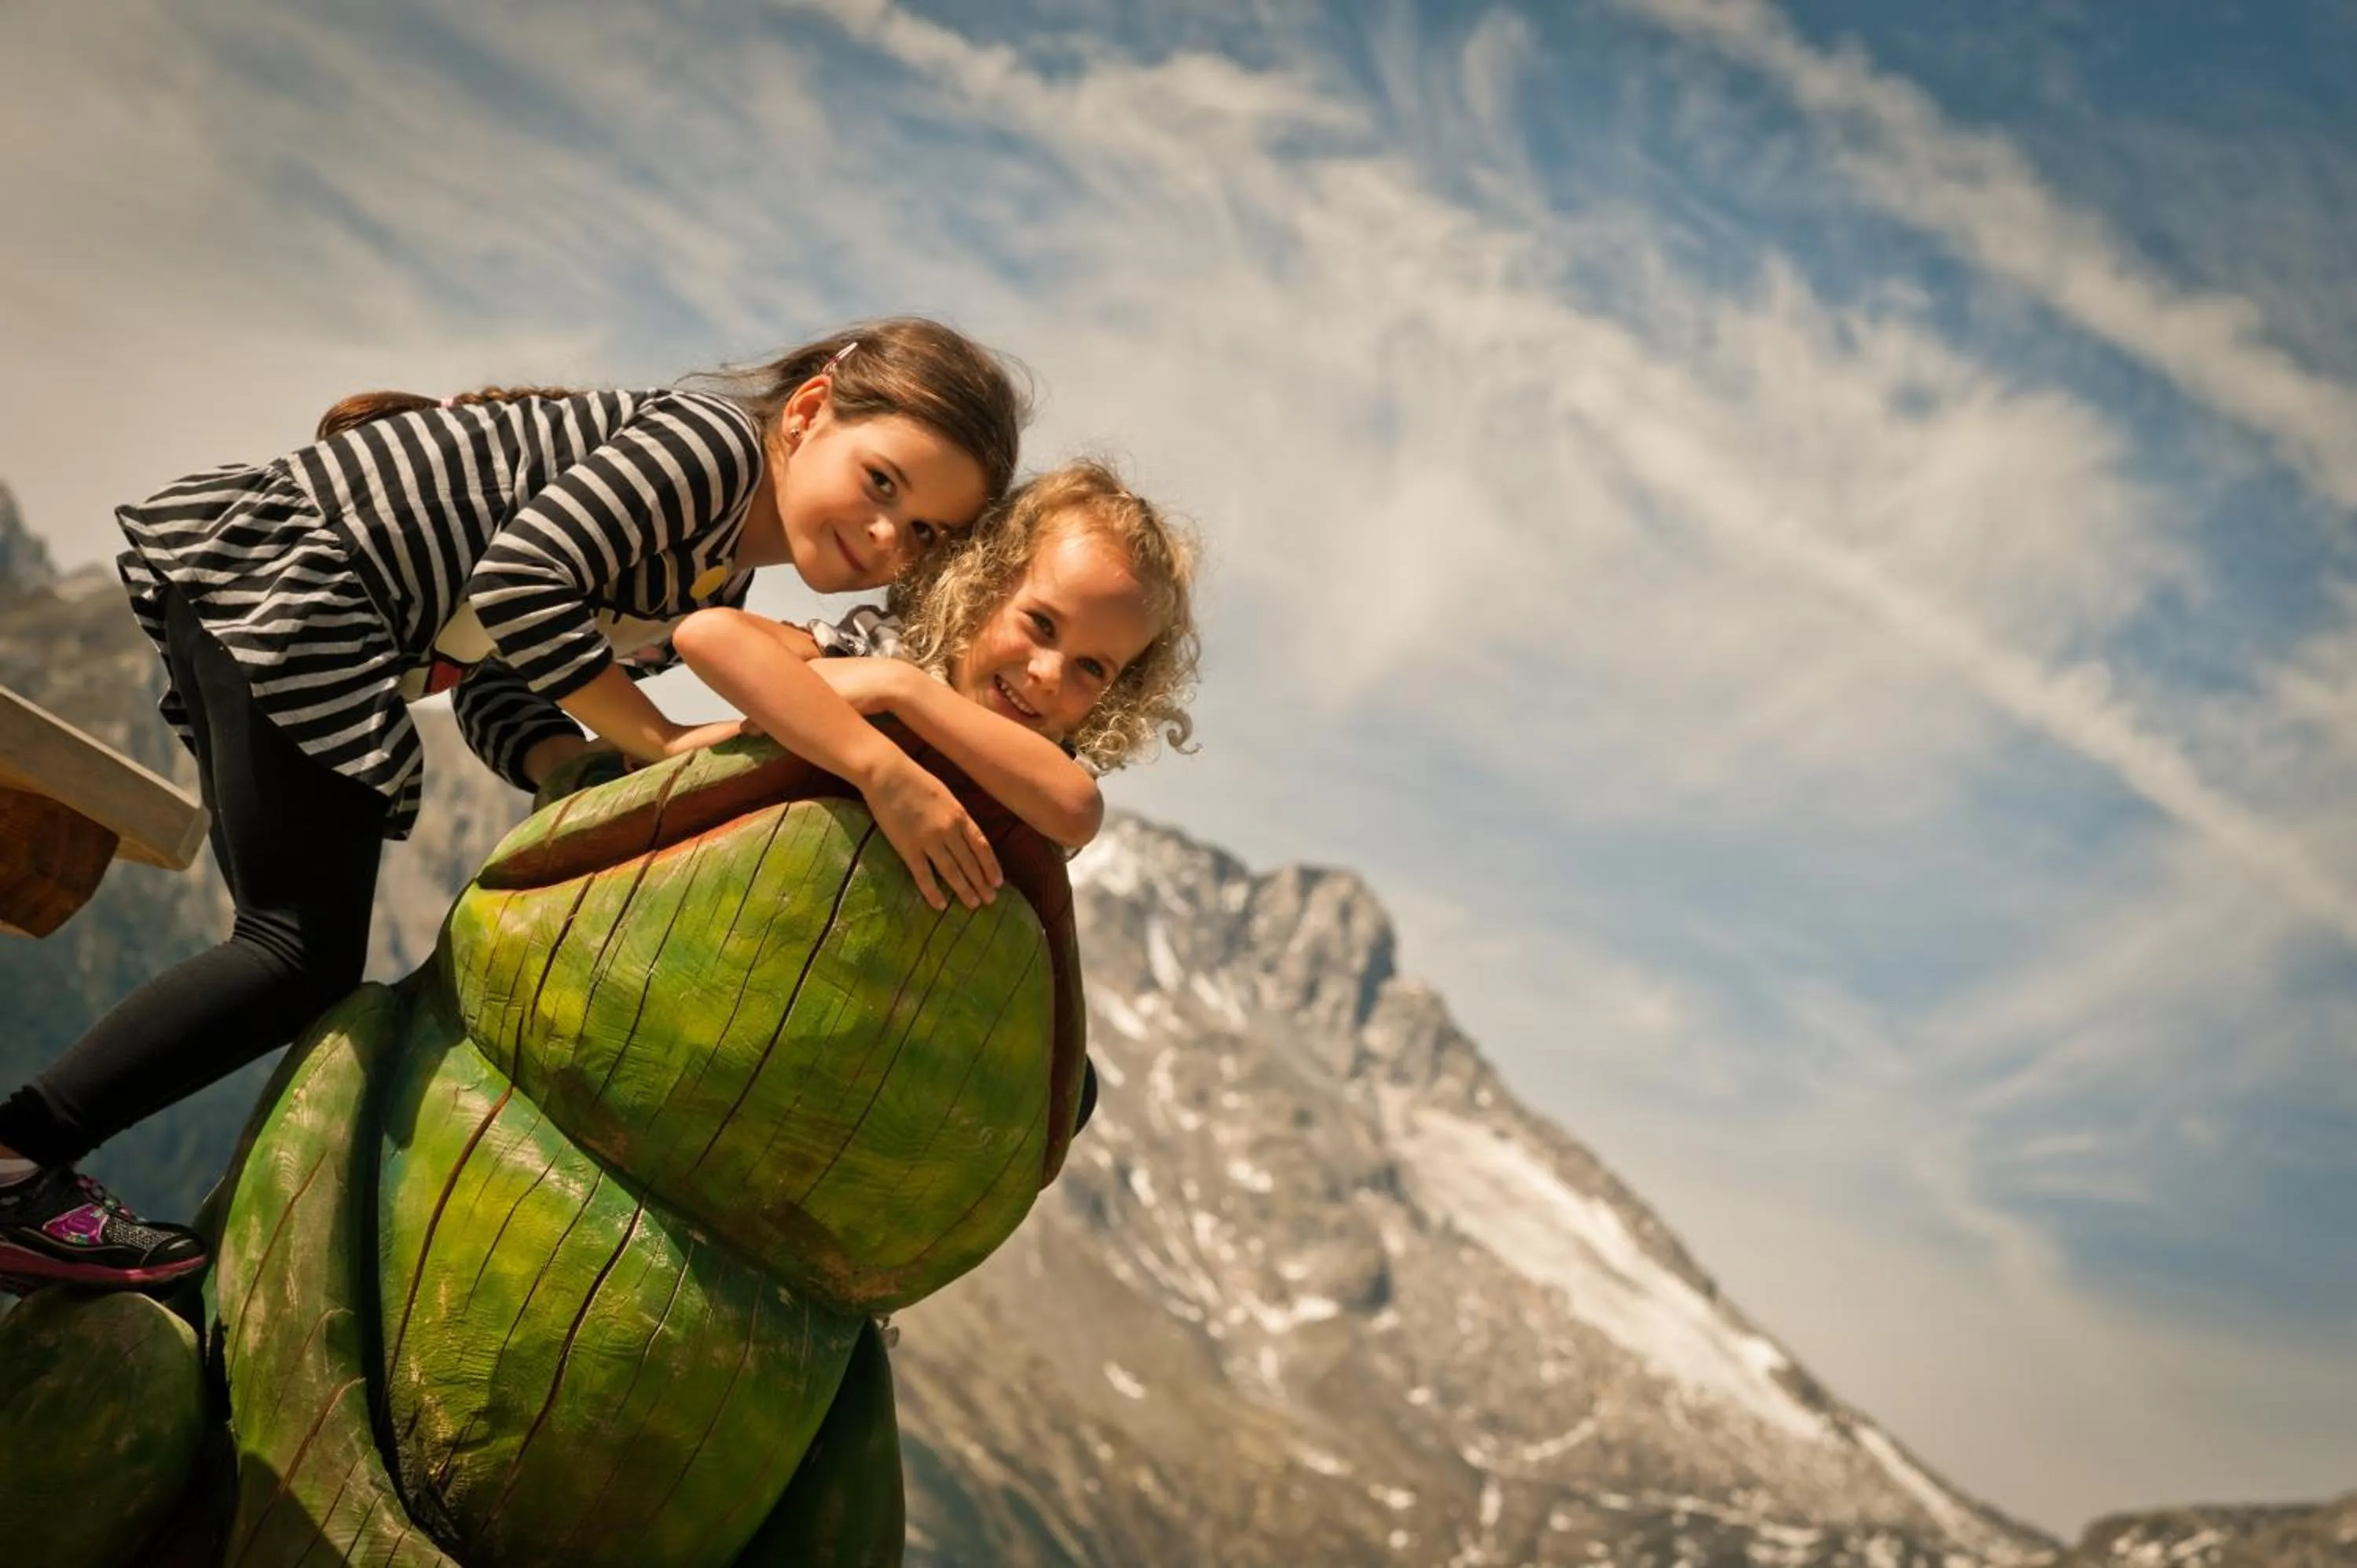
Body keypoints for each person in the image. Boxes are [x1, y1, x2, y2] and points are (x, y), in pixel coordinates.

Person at [0, 319, 1028, 1295]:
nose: (886, 534)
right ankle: (18, 1160)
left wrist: (571, 767)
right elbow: (521, 584)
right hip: (307, 588)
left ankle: (36, 1160)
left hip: (299, 602)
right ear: (806, 412)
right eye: (881, 481)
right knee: (294, 955)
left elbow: (499, 677)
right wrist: (657, 740)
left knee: (289, 955)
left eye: (924, 532)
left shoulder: (711, 583)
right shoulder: (710, 452)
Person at [676, 459, 1202, 1141]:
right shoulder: (878, 648)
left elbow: (1077, 810)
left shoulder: (1033, 763)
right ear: (983, 586)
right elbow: (708, 636)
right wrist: (880, 734)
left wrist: (901, 693)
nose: (1048, 673)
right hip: (768, 921)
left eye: (1092, 668)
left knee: (1069, 1091)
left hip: (903, 991)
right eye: (1041, 624)